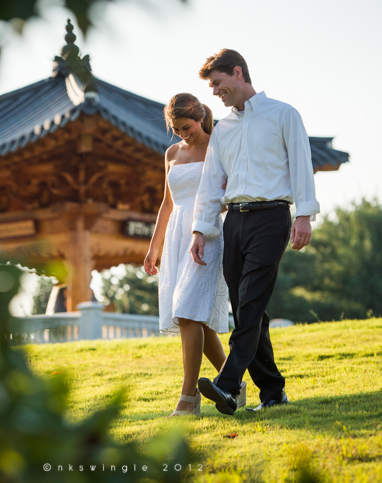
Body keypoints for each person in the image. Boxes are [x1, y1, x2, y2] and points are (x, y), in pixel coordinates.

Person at [190, 50, 319, 415]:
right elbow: (210, 183)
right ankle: (273, 392)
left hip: (272, 218)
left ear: (238, 73)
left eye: (217, 83)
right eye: (211, 86)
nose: (214, 91)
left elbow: (302, 164)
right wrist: (201, 229)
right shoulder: (224, 130)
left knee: (249, 305)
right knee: (248, 309)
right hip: (235, 221)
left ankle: (226, 385)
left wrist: (304, 214)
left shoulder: (283, 114)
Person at [144, 93, 240, 417]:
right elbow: (167, 203)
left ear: (200, 117)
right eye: (178, 130)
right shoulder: (171, 153)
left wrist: (206, 219)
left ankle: (189, 398)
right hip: (175, 236)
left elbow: (227, 195)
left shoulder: (218, 146)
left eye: (188, 127)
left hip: (209, 232)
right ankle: (233, 382)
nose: (184, 135)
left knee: (187, 310)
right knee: (194, 316)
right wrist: (153, 247)